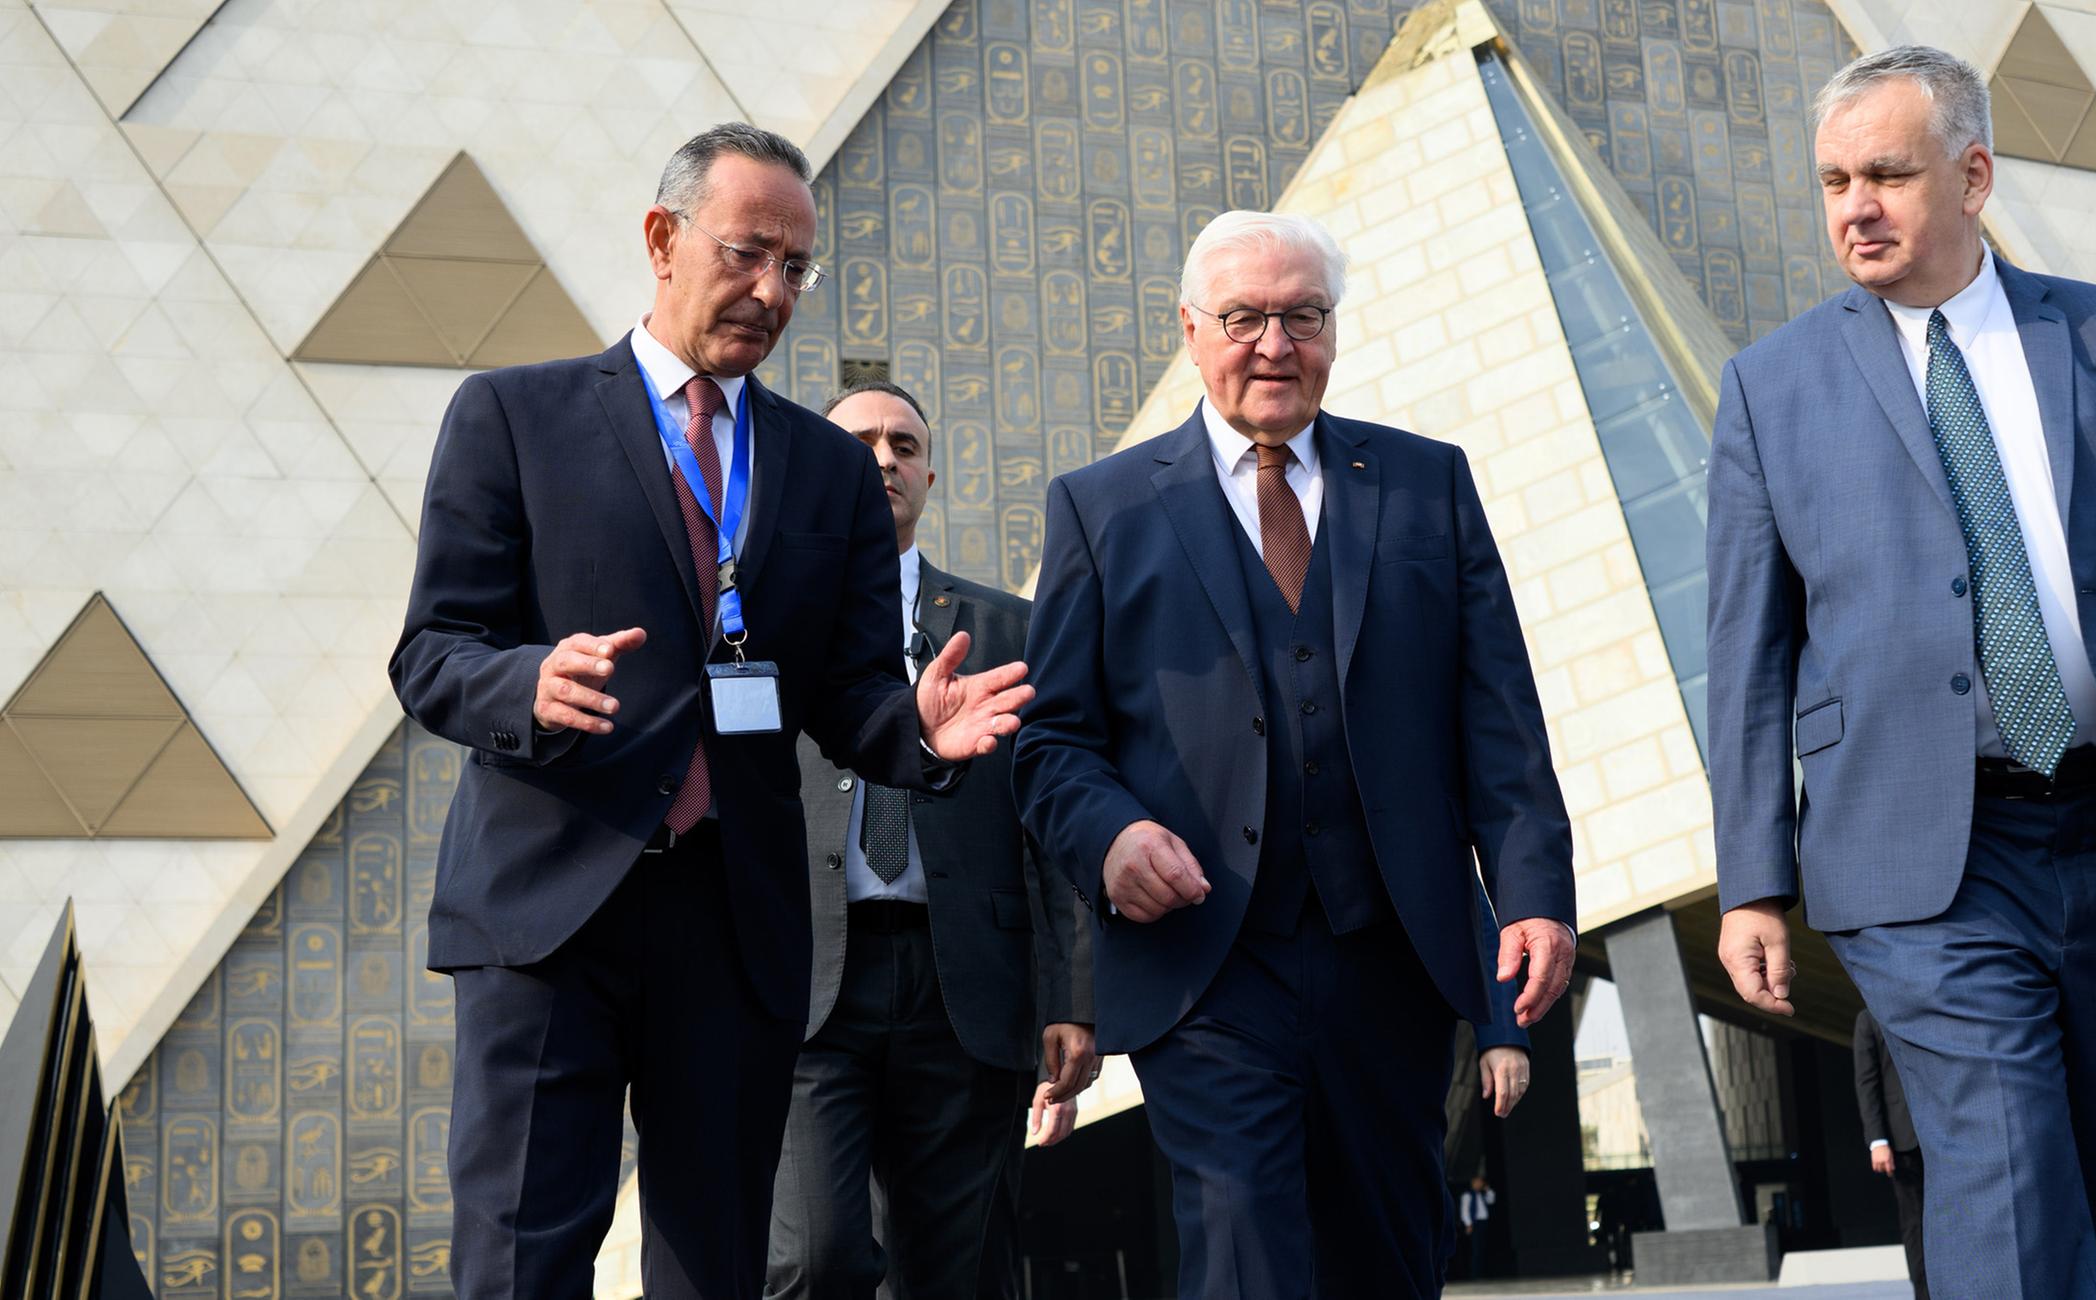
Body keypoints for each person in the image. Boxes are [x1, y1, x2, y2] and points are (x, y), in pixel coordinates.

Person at [1703, 46, 2096, 1299]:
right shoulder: (1767, 388)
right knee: (2003, 1173)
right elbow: (1743, 655)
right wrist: (1751, 879)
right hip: (1922, 856)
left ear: (1973, 175)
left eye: (1885, 172)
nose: (1853, 207)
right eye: (1832, 179)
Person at [389, 123, 1031, 1299]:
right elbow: (433, 653)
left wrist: (920, 737)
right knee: (520, 1263)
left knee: (720, 1266)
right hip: (547, 914)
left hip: (730, 925)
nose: (770, 290)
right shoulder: (513, 418)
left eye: (796, 268)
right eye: (746, 254)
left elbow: (844, 696)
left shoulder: (822, 466)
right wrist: (521, 684)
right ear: (661, 240)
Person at [1014, 209, 1577, 1297]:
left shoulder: (1426, 485)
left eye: (1302, 316)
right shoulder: (1101, 508)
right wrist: (1113, 833)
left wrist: (1535, 895)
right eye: (1243, 317)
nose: (1274, 343)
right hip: (1207, 964)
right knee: (1241, 1247)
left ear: (1332, 328)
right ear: (1189, 330)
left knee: (1388, 1249)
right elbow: (1052, 741)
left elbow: (1497, 718)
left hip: (1393, 953)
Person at [764, 380, 1097, 1299]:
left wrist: (1071, 995)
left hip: (967, 987)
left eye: (904, 445)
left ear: (930, 475)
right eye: (860, 443)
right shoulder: (756, 622)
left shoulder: (1009, 630)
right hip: (809, 983)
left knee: (954, 1272)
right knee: (814, 1258)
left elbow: (1055, 819)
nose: (883, 459)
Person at [1852, 1009, 1927, 1300]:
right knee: (1916, 1224)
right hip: (1903, 1142)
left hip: (1944, 1134)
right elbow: (1866, 1082)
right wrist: (1878, 1140)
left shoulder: (1925, 1005)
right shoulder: (1869, 1019)